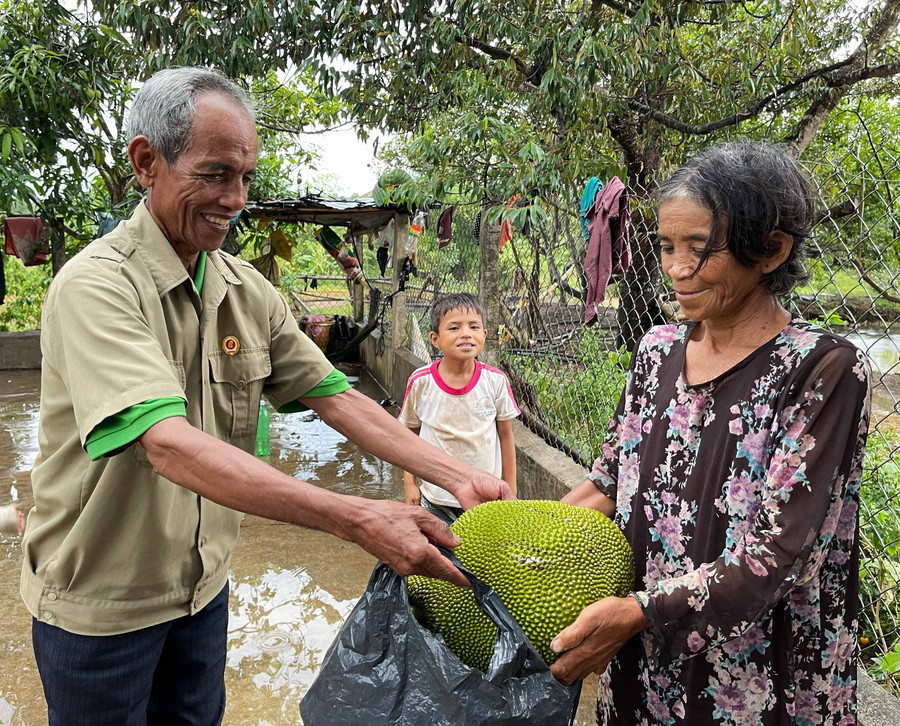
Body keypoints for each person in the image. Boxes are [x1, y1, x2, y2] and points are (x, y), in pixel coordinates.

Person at [19, 67, 511, 725]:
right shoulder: (96, 288)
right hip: (101, 607)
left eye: (246, 177)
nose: (235, 198)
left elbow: (338, 399)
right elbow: (168, 447)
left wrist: (456, 475)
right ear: (146, 162)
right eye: (215, 174)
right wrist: (356, 517)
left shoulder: (245, 290)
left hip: (201, 593)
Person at [549, 141, 872, 725]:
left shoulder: (823, 369)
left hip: (756, 675)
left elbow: (781, 553)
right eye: (667, 246)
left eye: (698, 249)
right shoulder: (657, 350)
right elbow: (609, 481)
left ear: (771, 250)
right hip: (644, 658)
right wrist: (524, 545)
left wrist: (640, 612)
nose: (676, 268)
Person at [400, 293, 519, 521]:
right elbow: (409, 435)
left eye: (474, 327)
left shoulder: (495, 381)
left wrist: (511, 492)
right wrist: (409, 483)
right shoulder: (421, 382)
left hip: (486, 499)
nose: (466, 333)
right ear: (435, 339)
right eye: (454, 328)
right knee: (436, 543)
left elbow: (506, 436)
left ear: (484, 335)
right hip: (435, 498)